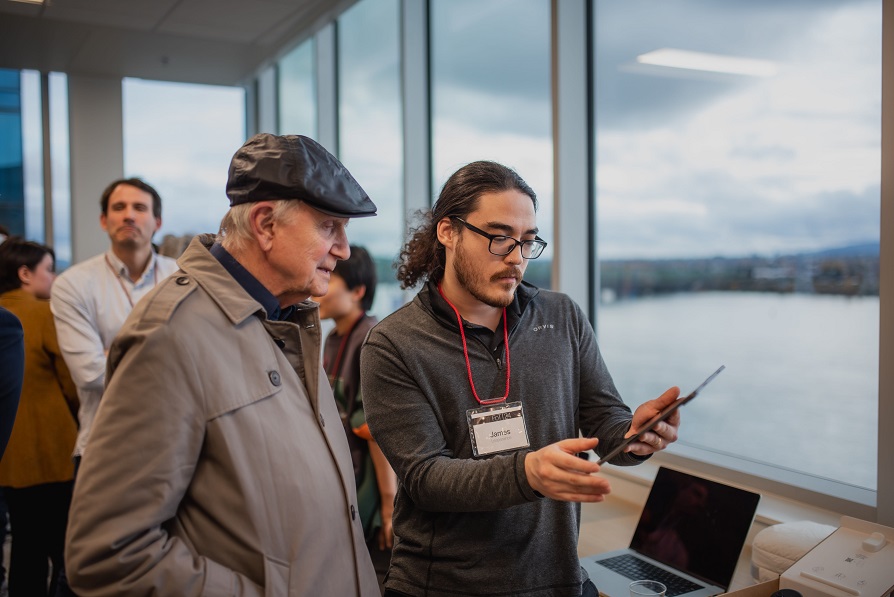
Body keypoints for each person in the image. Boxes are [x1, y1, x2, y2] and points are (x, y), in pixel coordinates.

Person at [65, 133, 381, 596]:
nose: (345, 249)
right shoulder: (170, 336)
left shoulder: (289, 318)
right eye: (329, 227)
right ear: (266, 224)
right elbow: (110, 553)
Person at [360, 160, 682, 597]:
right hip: (445, 587)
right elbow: (425, 478)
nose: (515, 258)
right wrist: (528, 472)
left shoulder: (561, 316)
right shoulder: (393, 343)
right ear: (448, 232)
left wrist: (634, 434)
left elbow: (606, 425)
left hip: (559, 579)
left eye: (527, 242)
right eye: (498, 238)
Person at [50, 177, 178, 473]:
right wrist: (167, 355)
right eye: (119, 207)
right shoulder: (74, 284)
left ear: (157, 221)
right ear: (104, 220)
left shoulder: (183, 276)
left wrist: (115, 353)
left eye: (139, 208)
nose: (129, 215)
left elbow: (203, 361)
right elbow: (90, 374)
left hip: (176, 440)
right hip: (105, 446)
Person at [314, 245, 397, 591]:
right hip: (350, 485)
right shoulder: (334, 337)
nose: (318, 285)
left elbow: (375, 431)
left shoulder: (372, 340)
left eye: (330, 277)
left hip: (375, 495)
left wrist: (390, 508)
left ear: (358, 291)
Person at [0, 238, 79, 597]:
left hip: (9, 459)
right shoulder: (42, 313)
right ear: (25, 274)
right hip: (49, 450)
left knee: (24, 549)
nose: (54, 277)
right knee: (66, 553)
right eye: (49, 269)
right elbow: (71, 379)